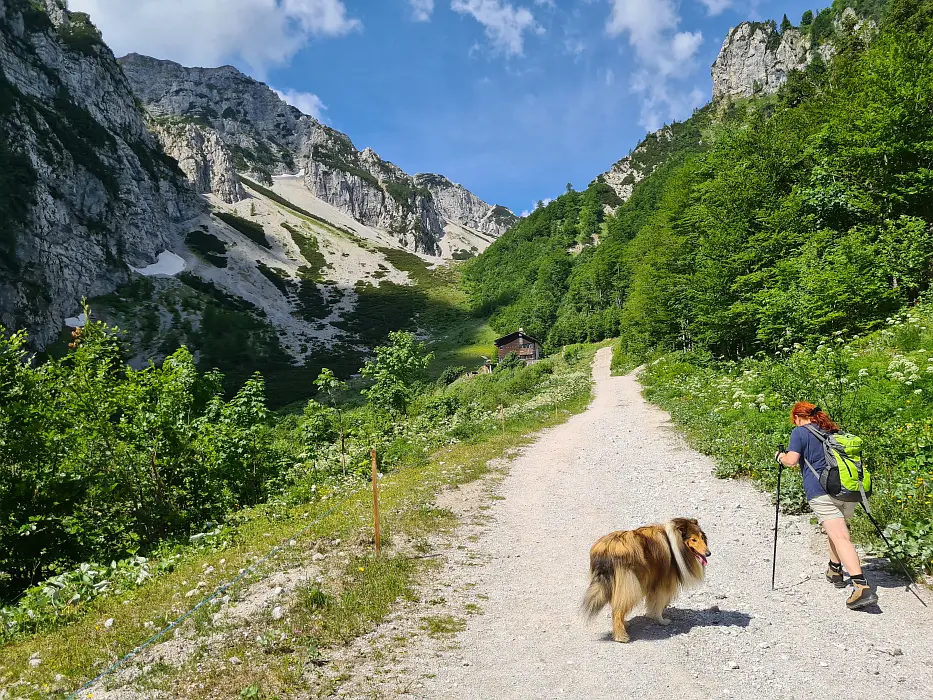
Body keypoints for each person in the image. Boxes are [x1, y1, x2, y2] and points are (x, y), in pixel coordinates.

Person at [775, 402, 879, 610]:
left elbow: (792, 460)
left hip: (821, 491)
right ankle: (835, 570)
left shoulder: (799, 432)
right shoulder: (831, 431)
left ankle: (861, 586)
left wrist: (780, 456)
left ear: (797, 417)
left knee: (840, 536)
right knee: (837, 532)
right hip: (847, 491)